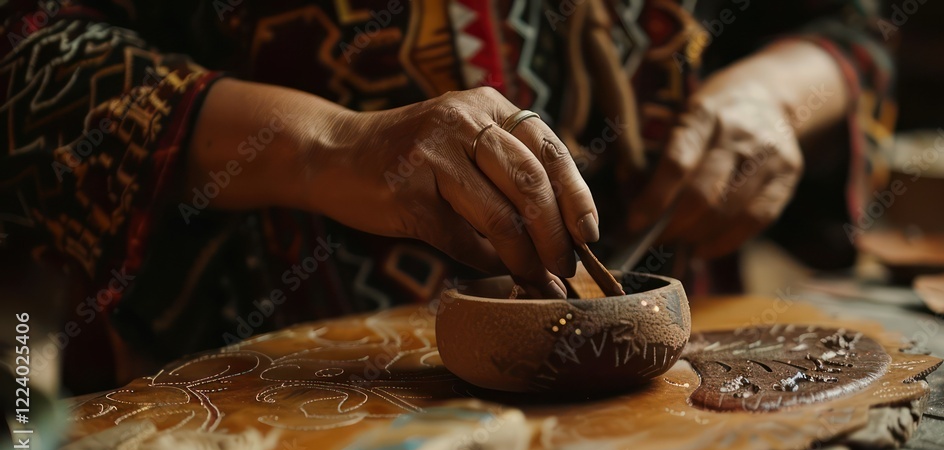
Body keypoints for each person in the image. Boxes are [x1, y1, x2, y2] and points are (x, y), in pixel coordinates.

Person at [0, 0, 893, 390]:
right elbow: (25, 52)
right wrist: (330, 146)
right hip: (265, 410)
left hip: (668, 403)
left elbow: (855, 25)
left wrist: (780, 90)